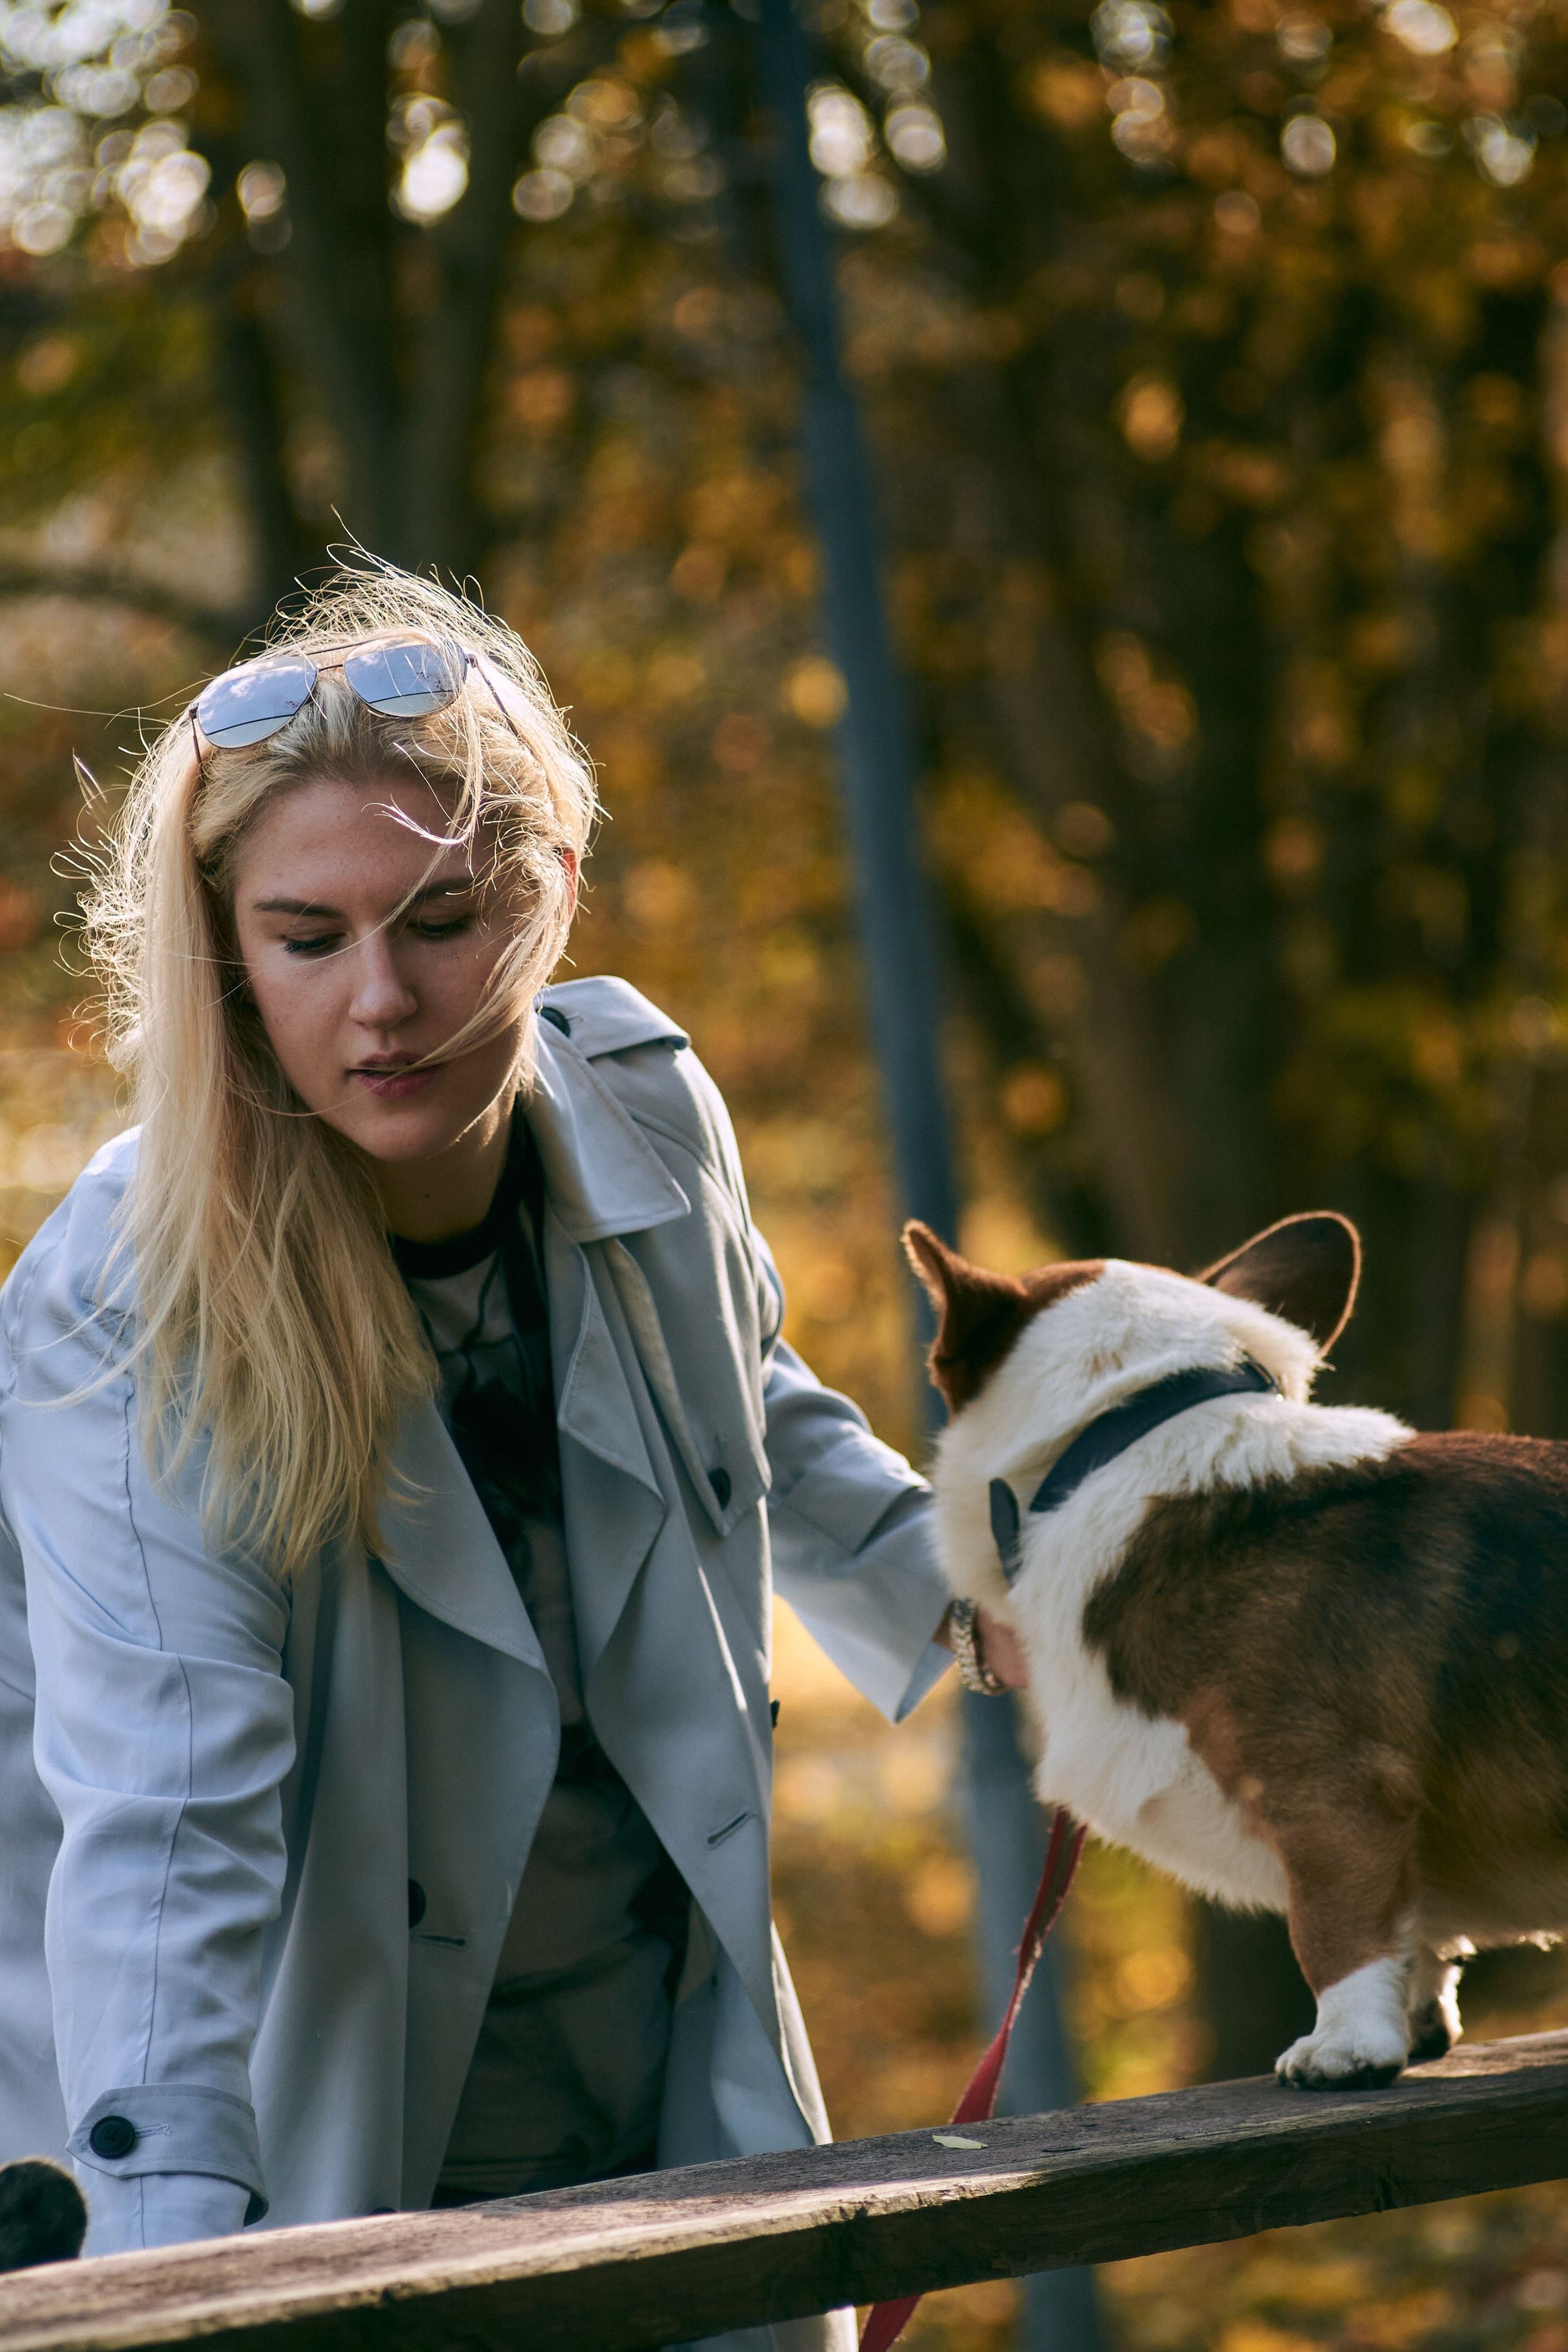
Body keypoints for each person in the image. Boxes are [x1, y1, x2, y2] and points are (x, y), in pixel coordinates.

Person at [0, 563, 1024, 2345]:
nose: (379, 1000)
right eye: (307, 939)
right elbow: (172, 1816)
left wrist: (970, 1591)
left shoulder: (645, 1096)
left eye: (441, 918)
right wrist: (159, 2262)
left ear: (552, 891)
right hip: (316, 2097)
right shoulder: (126, 1299)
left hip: (651, 2041)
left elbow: (739, 1387)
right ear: (232, 959)